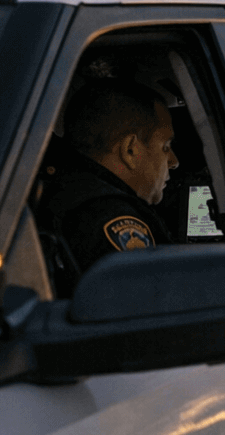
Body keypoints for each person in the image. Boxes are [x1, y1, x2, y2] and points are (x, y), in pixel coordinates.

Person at [37, 80, 179, 286]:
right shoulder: (111, 217)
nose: (174, 162)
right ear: (130, 150)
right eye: (165, 146)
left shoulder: (60, 191)